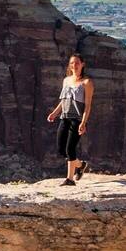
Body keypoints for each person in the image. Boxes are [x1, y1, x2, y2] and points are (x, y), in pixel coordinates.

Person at [46, 54, 93, 186]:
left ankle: (69, 179)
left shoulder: (87, 83)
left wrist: (83, 122)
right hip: (65, 117)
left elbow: (88, 105)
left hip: (77, 119)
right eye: (72, 63)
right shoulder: (66, 80)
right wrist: (54, 113)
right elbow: (64, 100)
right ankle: (81, 165)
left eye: (77, 62)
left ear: (82, 64)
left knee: (70, 149)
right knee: (62, 149)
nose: (74, 65)